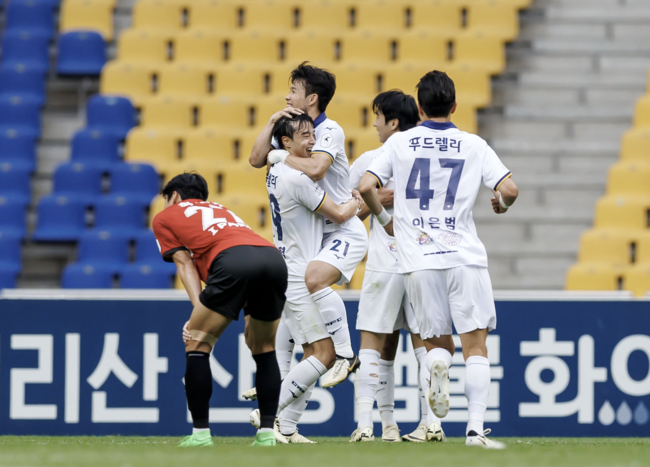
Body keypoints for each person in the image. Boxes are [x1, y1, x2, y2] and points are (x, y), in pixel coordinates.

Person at [359, 71, 519, 450]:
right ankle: (475, 432)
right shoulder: (474, 144)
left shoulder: (399, 144)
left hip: (418, 260)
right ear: (455, 106)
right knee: (475, 345)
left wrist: (385, 221)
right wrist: (501, 204)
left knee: (435, 346)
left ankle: (437, 365)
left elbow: (366, 186)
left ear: (418, 107)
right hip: (464, 255)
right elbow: (509, 189)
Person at [250, 62, 368, 387]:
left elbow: (316, 169)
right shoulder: (292, 131)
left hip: (343, 226)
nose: (287, 97)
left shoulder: (328, 131)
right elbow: (256, 159)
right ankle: (280, 405)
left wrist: (281, 157)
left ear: (312, 98)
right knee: (301, 318)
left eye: (294, 92)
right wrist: (274, 122)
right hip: (320, 230)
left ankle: (345, 354)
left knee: (311, 279)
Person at [152, 172, 287, 448]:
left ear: (174, 196)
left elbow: (185, 263)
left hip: (232, 259)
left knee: (197, 343)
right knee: (263, 348)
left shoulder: (166, 217)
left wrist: (198, 311)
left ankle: (200, 435)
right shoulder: (222, 210)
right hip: (272, 259)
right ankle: (266, 435)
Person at [348, 90, 444, 443]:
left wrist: (379, 203)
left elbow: (347, 209)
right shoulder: (432, 158)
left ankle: (366, 426)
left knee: (373, 343)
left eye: (378, 118)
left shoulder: (373, 159)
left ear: (392, 122)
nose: (374, 124)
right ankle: (428, 423)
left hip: (386, 262)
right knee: (425, 344)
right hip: (423, 262)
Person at [264, 114, 363, 443]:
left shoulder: (275, 172)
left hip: (286, 270)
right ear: (287, 143)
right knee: (324, 354)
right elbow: (338, 213)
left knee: (312, 355)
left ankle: (286, 428)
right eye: (304, 136)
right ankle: (268, 415)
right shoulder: (297, 179)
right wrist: (356, 201)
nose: (312, 141)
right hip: (297, 277)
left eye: (313, 134)